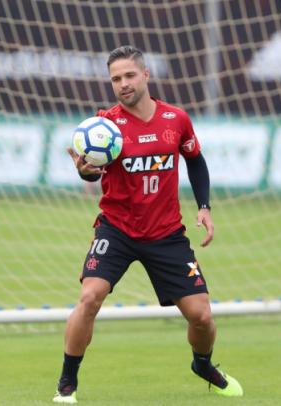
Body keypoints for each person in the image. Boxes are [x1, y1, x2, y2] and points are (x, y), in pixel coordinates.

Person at [53, 45, 243, 403]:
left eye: (128, 75)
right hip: (117, 229)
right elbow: (90, 170)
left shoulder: (176, 120)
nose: (123, 84)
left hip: (166, 234)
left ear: (145, 75)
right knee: (90, 296)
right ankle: (67, 384)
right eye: (115, 79)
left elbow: (196, 161)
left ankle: (202, 364)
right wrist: (83, 171)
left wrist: (204, 207)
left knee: (201, 316)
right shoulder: (104, 126)